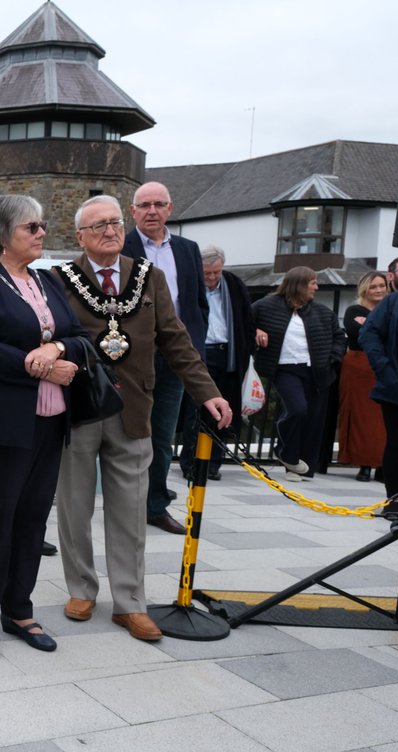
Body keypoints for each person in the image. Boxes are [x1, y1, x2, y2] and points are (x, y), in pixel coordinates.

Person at [52, 195, 232, 642]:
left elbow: (176, 339)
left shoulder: (149, 278)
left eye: (115, 222)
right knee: (74, 505)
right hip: (79, 408)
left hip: (134, 409)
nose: (111, 230)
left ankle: (130, 603)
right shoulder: (59, 278)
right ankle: (81, 589)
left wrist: (207, 392)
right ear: (80, 237)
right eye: (98, 226)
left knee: (131, 511)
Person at [0, 195, 88, 657]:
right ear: (4, 234)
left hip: (49, 421)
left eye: (42, 225)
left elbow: (79, 335)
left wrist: (58, 351)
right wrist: (43, 367)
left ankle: (19, 609)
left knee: (32, 519)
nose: (41, 233)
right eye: (32, 227)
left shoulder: (47, 280)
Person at [122, 181, 207, 536]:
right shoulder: (120, 246)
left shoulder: (188, 250)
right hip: (131, 358)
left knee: (162, 435)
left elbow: (197, 302)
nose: (152, 211)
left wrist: (194, 351)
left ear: (170, 209)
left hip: (173, 356)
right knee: (127, 432)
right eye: (145, 205)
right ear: (133, 211)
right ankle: (125, 503)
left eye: (159, 204)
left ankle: (155, 506)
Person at [252, 266, 347, 481]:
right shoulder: (266, 305)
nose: (316, 287)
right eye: (313, 282)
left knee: (313, 420)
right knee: (298, 410)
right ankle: (286, 453)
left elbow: (339, 337)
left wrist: (333, 359)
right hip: (285, 369)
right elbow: (244, 323)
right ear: (300, 284)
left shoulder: (322, 311)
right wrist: (255, 331)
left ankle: (299, 467)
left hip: (318, 371)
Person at [178, 246, 255, 481]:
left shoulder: (233, 284)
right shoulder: (189, 284)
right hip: (199, 353)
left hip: (228, 354)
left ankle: (214, 462)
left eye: (216, 272)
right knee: (196, 410)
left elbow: (246, 318)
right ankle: (190, 462)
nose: (211, 278)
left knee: (224, 410)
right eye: (207, 273)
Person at [340, 271, 389, 480]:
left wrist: (368, 323)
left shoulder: (391, 308)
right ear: (365, 289)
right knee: (361, 416)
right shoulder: (354, 310)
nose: (378, 290)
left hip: (386, 367)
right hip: (359, 367)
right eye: (373, 286)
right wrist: (377, 327)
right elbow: (356, 334)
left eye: (381, 286)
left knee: (383, 419)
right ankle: (364, 464)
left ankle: (382, 465)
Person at [358, 278, 398, 512]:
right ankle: (395, 499)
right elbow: (369, 334)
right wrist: (384, 369)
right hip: (395, 385)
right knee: (397, 442)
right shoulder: (393, 302)